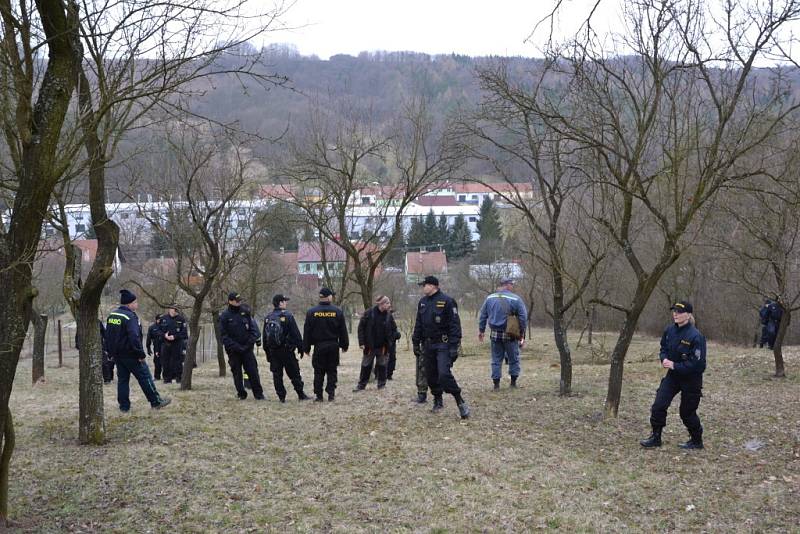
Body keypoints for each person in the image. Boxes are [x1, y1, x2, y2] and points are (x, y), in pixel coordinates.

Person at [641, 301, 706, 450]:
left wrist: (675, 365)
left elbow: (699, 364)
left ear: (688, 315)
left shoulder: (696, 336)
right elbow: (663, 348)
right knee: (658, 405)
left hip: (691, 380)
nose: (675, 314)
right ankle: (656, 437)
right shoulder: (669, 330)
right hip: (673, 377)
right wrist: (663, 358)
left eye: (679, 311)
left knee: (687, 413)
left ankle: (696, 440)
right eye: (674, 311)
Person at [412, 275, 470, 419]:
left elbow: (455, 326)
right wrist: (415, 342)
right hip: (427, 344)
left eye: (424, 285)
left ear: (433, 286)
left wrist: (454, 347)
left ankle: (459, 400)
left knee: (444, 374)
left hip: (443, 344)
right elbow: (419, 323)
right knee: (430, 375)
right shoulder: (422, 302)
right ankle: (437, 399)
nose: (422, 287)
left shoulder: (447, 301)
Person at [105, 289, 171, 411]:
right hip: (132, 355)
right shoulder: (130, 317)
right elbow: (134, 337)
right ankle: (156, 401)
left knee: (123, 381)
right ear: (129, 304)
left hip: (118, 355)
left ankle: (124, 407)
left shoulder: (112, 315)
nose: (137, 304)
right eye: (135, 302)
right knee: (145, 377)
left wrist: (110, 352)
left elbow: (108, 335)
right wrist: (140, 354)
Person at [478, 278, 529, 390]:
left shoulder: (489, 298)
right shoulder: (516, 299)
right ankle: (513, 383)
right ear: (507, 285)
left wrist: (481, 330)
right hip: (511, 333)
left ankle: (496, 385)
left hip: (495, 333)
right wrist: (521, 331)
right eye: (511, 284)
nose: (512, 286)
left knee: (496, 359)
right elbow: (523, 317)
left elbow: (483, 315)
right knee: (513, 358)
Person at [303, 287, 348, 402]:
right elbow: (343, 330)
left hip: (319, 346)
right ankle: (331, 394)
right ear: (328, 297)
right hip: (333, 346)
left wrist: (306, 347)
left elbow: (307, 331)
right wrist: (344, 345)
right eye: (331, 295)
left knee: (319, 371)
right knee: (332, 370)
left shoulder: (311, 312)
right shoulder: (337, 312)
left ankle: (319, 395)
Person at [263, 294, 310, 403]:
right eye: (284, 301)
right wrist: (300, 348)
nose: (286, 303)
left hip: (273, 351)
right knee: (294, 373)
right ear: (280, 303)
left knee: (277, 375)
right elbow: (296, 334)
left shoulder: (268, 317)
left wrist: (267, 353)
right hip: (287, 350)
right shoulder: (288, 315)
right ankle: (301, 394)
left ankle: (281, 397)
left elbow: (265, 337)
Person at [219, 292, 265, 400]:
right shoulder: (225, 316)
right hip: (234, 351)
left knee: (253, 371)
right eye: (236, 300)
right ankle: (241, 393)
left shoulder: (245, 312)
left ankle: (259, 394)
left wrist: (249, 344)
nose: (239, 302)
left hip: (247, 349)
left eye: (240, 300)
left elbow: (253, 330)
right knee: (237, 373)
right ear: (230, 301)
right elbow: (223, 336)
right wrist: (236, 347)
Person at [354, 295, 396, 391]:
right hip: (369, 346)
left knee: (382, 366)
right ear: (382, 304)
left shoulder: (389, 315)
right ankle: (361, 385)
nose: (389, 305)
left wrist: (392, 338)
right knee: (366, 365)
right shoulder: (369, 313)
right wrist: (361, 342)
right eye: (387, 303)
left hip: (383, 347)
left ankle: (381, 385)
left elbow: (394, 329)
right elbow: (361, 328)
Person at [158, 305, 188, 383]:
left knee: (177, 361)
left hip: (177, 343)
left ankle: (179, 378)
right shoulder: (163, 318)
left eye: (175, 310)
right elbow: (158, 331)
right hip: (166, 343)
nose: (173, 311)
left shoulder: (181, 319)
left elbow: (184, 333)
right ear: (169, 309)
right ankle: (167, 379)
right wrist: (164, 335)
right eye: (172, 309)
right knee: (165, 361)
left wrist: (174, 337)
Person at [77, 319, 113, 383]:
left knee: (104, 363)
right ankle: (88, 379)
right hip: (86, 347)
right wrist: (78, 346)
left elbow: (105, 334)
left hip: (99, 346)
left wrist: (106, 346)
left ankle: (107, 379)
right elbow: (78, 335)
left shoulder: (98, 322)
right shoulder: (82, 323)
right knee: (87, 364)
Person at [146, 314, 163, 380]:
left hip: (166, 345)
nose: (160, 321)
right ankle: (157, 376)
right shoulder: (152, 327)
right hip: (156, 346)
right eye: (159, 319)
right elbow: (148, 338)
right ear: (156, 320)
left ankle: (168, 376)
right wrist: (148, 348)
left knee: (167, 361)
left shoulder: (165, 326)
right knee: (157, 362)